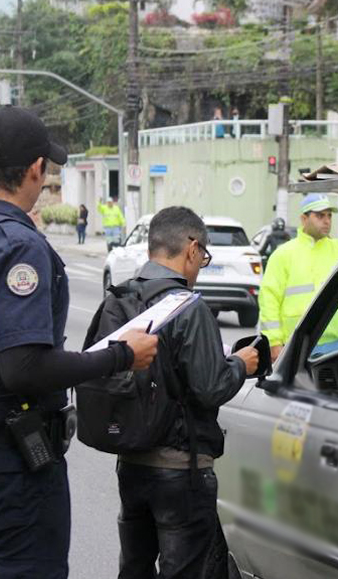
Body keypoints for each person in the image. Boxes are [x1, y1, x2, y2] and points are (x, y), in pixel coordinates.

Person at [0, 105, 160, 579]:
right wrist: (122, 354)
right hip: (13, 462)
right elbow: (23, 369)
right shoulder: (16, 245)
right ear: (34, 171)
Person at [106, 206, 259, 579]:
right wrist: (241, 364)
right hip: (180, 470)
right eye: (203, 256)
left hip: (131, 463)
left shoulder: (119, 300)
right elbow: (211, 388)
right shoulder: (188, 308)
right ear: (192, 249)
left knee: (134, 569)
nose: (200, 265)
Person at [259, 194, 338, 361]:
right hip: (295, 343)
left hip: (335, 344)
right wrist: (274, 341)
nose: (327, 221)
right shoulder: (283, 255)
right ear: (304, 219)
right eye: (320, 215)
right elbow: (269, 299)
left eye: (329, 215)